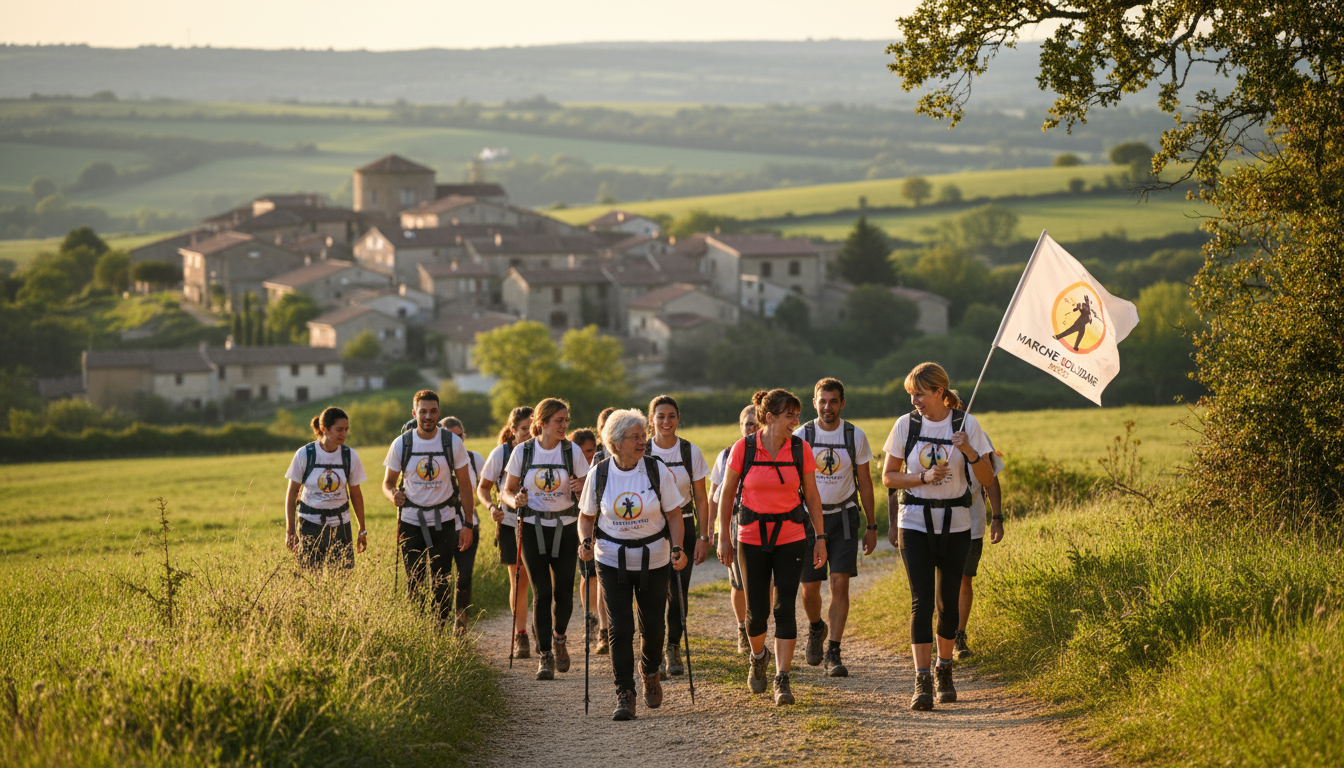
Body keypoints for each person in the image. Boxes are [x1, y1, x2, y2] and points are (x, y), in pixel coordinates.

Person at [881, 363, 996, 711]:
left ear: (939, 392)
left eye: (919, 393)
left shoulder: (966, 425)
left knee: (947, 604)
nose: (914, 400)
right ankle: (922, 678)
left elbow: (988, 478)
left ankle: (944, 669)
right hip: (914, 521)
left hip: (957, 522)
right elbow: (888, 477)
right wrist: (923, 478)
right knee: (922, 602)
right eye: (911, 394)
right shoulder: (906, 425)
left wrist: (971, 453)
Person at [716, 389, 827, 706]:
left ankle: (782, 678)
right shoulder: (744, 448)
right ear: (770, 417)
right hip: (750, 537)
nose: (796, 421)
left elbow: (813, 496)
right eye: (790, 415)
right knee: (757, 614)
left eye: (796, 414)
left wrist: (819, 537)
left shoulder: (800, 448)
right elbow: (727, 497)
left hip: (791, 535)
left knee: (785, 608)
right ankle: (757, 656)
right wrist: (723, 536)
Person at [578, 409, 688, 720]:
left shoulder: (656, 470)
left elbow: (674, 516)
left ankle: (650, 670)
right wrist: (585, 542)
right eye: (635, 437)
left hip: (654, 558)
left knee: (653, 627)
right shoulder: (599, 474)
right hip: (611, 558)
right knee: (620, 627)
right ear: (615, 442)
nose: (643, 441)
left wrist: (677, 547)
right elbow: (585, 518)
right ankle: (624, 692)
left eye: (643, 435)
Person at [501, 397, 590, 681]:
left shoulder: (571, 451)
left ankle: (559, 638)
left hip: (566, 527)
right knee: (542, 593)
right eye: (559, 421)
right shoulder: (523, 452)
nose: (564, 425)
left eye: (566, 420)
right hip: (531, 527)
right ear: (542, 423)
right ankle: (545, 656)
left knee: (564, 592)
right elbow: (507, 490)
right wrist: (515, 501)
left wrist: (581, 486)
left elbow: (590, 490)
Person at [797, 378, 877, 677]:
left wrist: (871, 524)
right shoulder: (801, 435)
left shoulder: (855, 435)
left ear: (842, 403)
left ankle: (834, 650)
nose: (827, 407)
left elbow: (865, 483)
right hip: (807, 519)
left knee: (840, 583)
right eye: (822, 401)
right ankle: (817, 627)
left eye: (833, 401)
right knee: (809, 589)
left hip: (844, 515)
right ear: (814, 401)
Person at [382, 390, 475, 629]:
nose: (428, 416)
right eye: (423, 411)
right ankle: (418, 629)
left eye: (433, 411)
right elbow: (387, 483)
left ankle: (439, 631)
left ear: (439, 413)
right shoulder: (402, 443)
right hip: (411, 521)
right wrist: (394, 494)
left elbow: (465, 485)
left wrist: (467, 524)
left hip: (443, 521)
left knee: (441, 580)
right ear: (414, 413)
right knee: (414, 580)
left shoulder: (451, 441)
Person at [645, 395, 711, 678]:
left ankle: (673, 646)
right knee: (652, 592)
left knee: (678, 592)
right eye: (660, 416)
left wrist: (704, 537)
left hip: (683, 524)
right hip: (649, 527)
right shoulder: (642, 449)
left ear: (678, 418)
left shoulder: (689, 451)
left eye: (671, 416)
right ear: (651, 420)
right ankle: (654, 650)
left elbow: (701, 498)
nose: (666, 421)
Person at [477, 406, 535, 658]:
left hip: (544, 524)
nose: (529, 434)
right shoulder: (501, 453)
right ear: (513, 430)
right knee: (519, 581)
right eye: (524, 429)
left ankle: (547, 631)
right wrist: (491, 507)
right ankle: (521, 634)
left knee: (543, 582)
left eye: (533, 429)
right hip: (511, 523)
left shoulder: (544, 449)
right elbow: (484, 487)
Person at [284, 407, 368, 570]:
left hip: (341, 525)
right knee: (311, 577)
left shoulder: (350, 456)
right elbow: (292, 494)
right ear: (324, 429)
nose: (344, 434)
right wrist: (290, 531)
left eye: (346, 430)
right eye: (339, 430)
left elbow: (356, 495)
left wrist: (362, 530)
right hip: (310, 524)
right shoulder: (304, 454)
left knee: (343, 577)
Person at [707, 404, 758, 654]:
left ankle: (757, 629)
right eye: (749, 423)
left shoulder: (775, 452)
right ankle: (742, 628)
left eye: (758, 423)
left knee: (764, 582)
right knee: (738, 582)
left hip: (766, 522)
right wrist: (714, 530)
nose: (753, 427)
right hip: (737, 520)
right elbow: (714, 495)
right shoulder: (727, 455)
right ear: (740, 426)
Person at [954, 439, 1005, 659]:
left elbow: (990, 480)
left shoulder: (978, 434)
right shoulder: (926, 428)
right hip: (935, 523)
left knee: (964, 578)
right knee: (938, 580)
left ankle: (959, 636)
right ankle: (937, 634)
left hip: (972, 521)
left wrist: (997, 517)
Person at [441, 415, 485, 635]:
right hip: (439, 525)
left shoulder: (474, 459)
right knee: (441, 578)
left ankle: (461, 624)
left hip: (469, 524)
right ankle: (439, 623)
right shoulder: (434, 459)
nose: (455, 441)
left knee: (464, 576)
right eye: (450, 437)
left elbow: (489, 485)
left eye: (459, 436)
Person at [569, 427, 609, 653]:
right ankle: (590, 617)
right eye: (583, 452)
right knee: (587, 576)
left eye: (591, 450)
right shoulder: (569, 465)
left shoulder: (598, 465)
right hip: (578, 526)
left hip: (600, 525)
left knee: (600, 577)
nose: (587, 456)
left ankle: (603, 625)